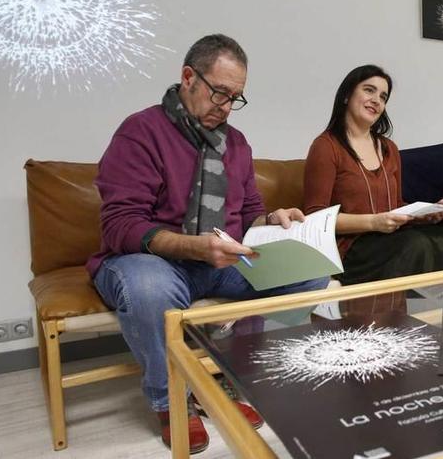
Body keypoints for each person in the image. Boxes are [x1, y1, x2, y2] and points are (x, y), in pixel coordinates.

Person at [86, 34, 329, 453]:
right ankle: (171, 401)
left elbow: (249, 211)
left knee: (310, 274)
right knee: (149, 287)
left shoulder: (236, 144)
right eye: (220, 92)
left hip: (218, 263)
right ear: (188, 77)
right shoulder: (141, 131)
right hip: (152, 261)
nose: (227, 106)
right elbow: (121, 226)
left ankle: (233, 375)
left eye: (236, 98)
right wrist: (194, 247)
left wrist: (273, 219)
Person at [303, 64, 443, 314]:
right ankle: (396, 323)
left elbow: (393, 206)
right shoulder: (326, 146)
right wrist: (374, 222)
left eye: (383, 96)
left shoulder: (388, 148)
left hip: (388, 239)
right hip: (349, 249)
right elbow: (314, 217)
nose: (376, 100)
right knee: (414, 245)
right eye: (369, 90)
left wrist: (421, 216)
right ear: (346, 95)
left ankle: (437, 320)